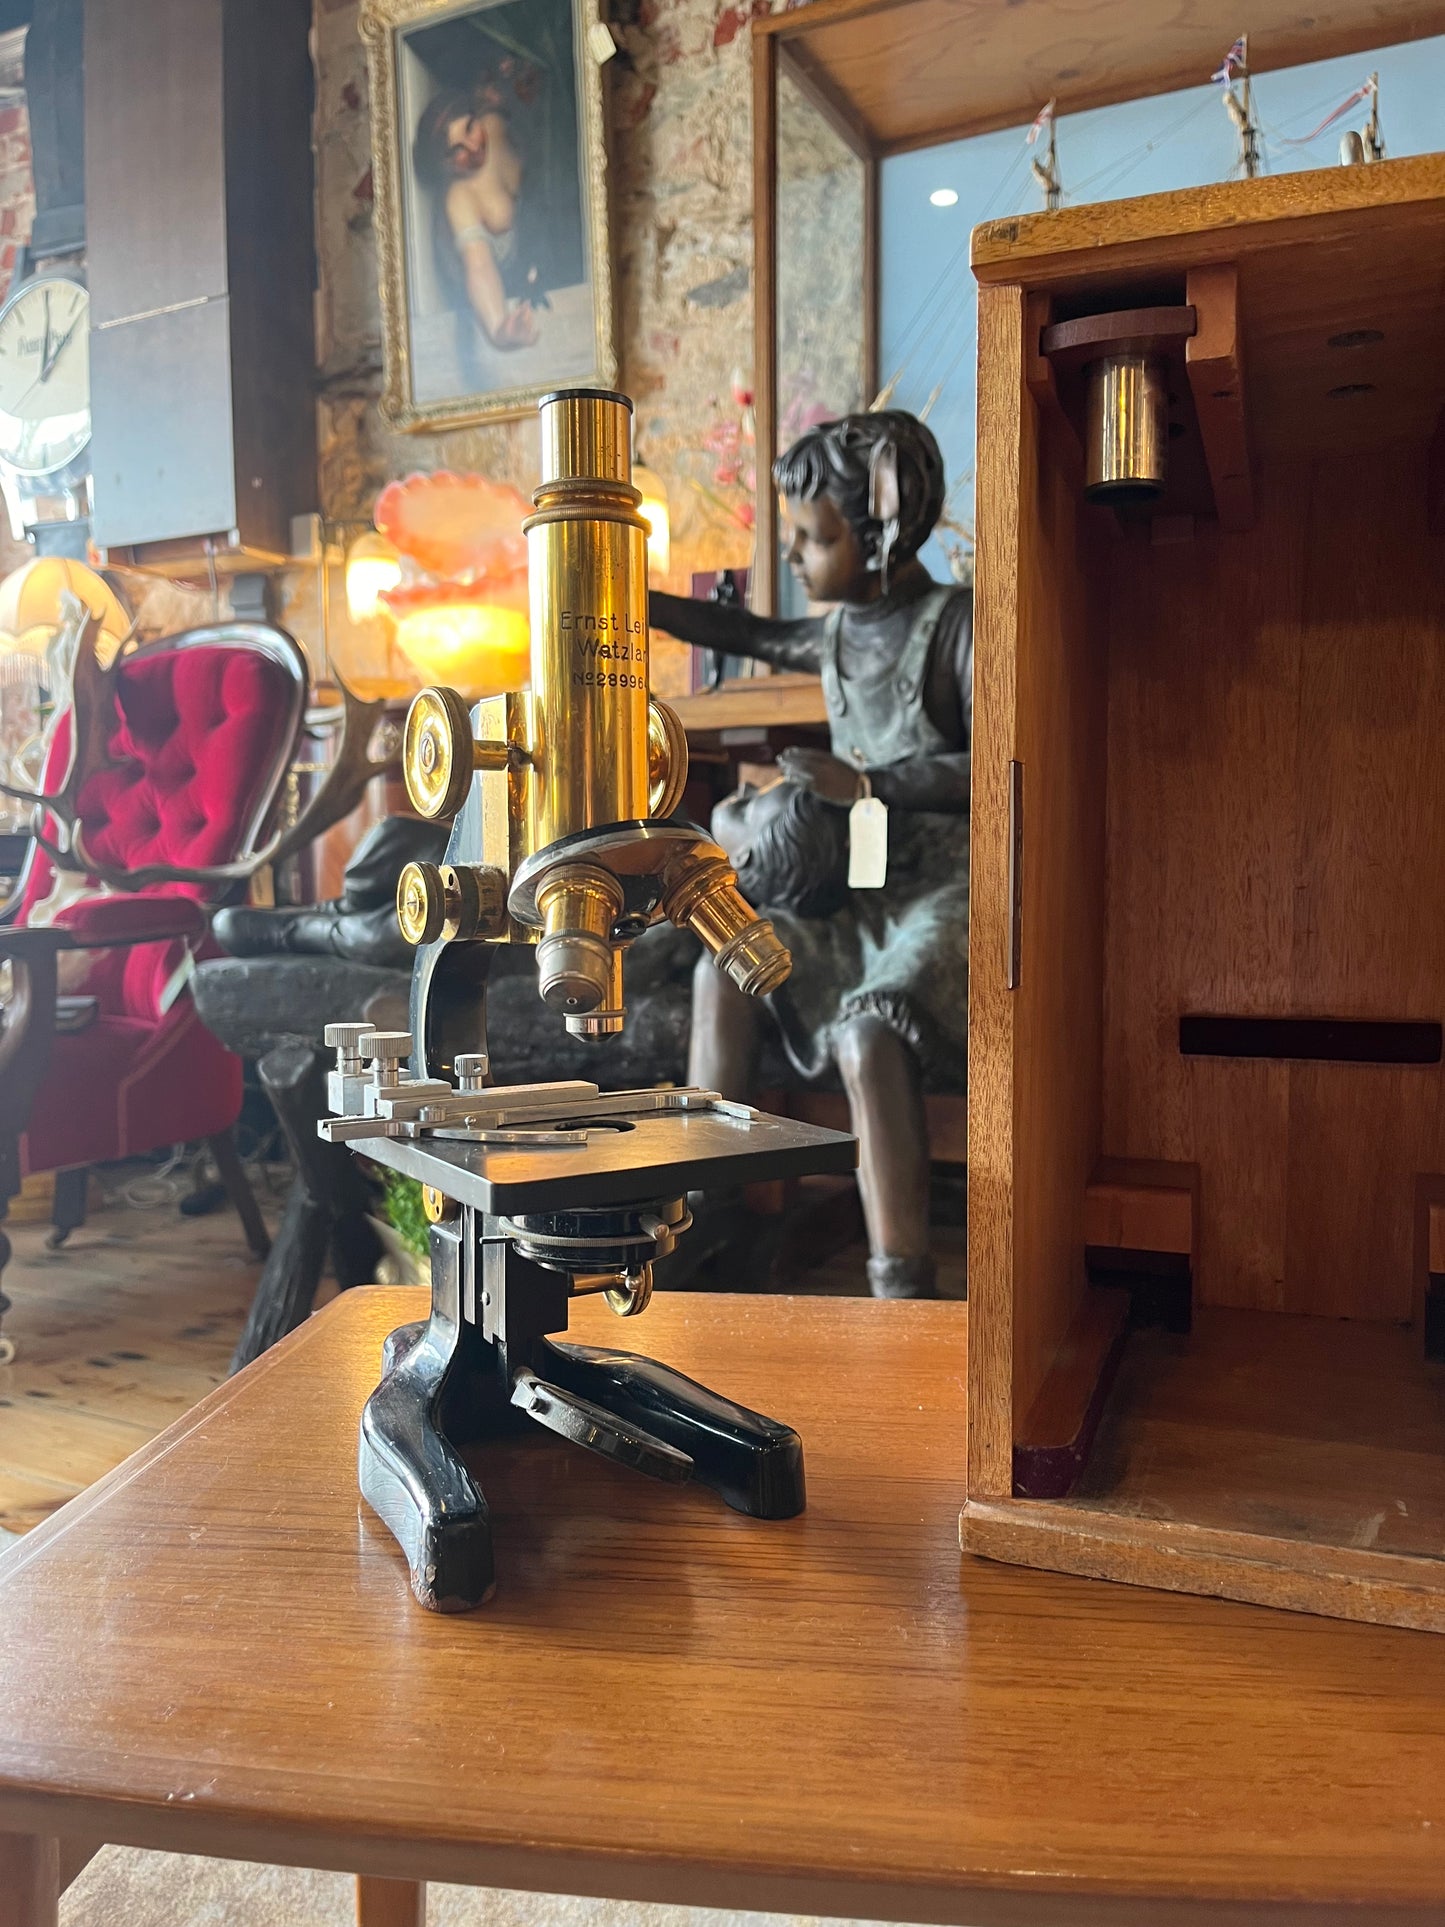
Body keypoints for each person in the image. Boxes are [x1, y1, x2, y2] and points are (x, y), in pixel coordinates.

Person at [651, 411, 971, 1299]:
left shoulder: (956, 623)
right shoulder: (833, 635)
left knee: (870, 1032)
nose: (793, 554)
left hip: (948, 887)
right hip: (857, 887)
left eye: (813, 537)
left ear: (880, 532)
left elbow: (999, 762)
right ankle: (704, 1212)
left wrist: (868, 781)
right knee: (726, 966)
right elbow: (748, 634)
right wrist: (634, 601)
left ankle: (900, 1281)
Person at [413, 85, 538, 352]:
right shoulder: (460, 197)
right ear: (444, 164)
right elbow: (479, 265)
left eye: (470, 128)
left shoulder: (495, 126)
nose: (473, 147)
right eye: (456, 150)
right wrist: (499, 329)